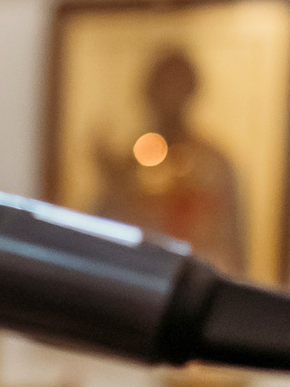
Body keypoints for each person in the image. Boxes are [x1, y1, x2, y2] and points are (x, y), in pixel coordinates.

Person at [88, 45, 249, 276]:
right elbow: (103, 239)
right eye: (162, 86)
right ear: (149, 92)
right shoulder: (127, 163)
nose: (169, 96)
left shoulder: (215, 164)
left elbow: (230, 250)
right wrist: (115, 185)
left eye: (177, 86)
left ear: (191, 91)